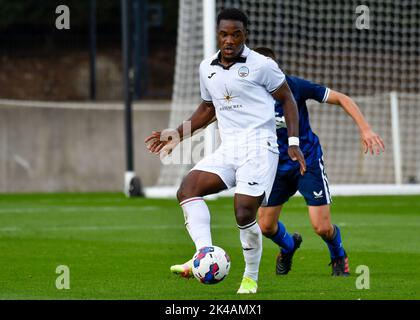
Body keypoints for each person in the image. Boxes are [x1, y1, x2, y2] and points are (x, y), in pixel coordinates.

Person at [145, 9, 306, 294]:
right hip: (229, 147)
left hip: (260, 148)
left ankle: (250, 277)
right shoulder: (206, 67)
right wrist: (177, 134)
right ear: (217, 35)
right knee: (188, 188)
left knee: (244, 212)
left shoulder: (262, 65)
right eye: (224, 34)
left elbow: (288, 99)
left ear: (246, 35)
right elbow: (208, 109)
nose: (229, 40)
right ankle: (204, 254)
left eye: (236, 34)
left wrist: (293, 144)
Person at [253, 47, 385, 276]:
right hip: (274, 165)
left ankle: (338, 256)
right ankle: (289, 246)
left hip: (307, 161)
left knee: (322, 227)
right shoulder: (249, 95)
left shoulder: (294, 86)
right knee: (265, 226)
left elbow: (341, 98)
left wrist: (366, 129)